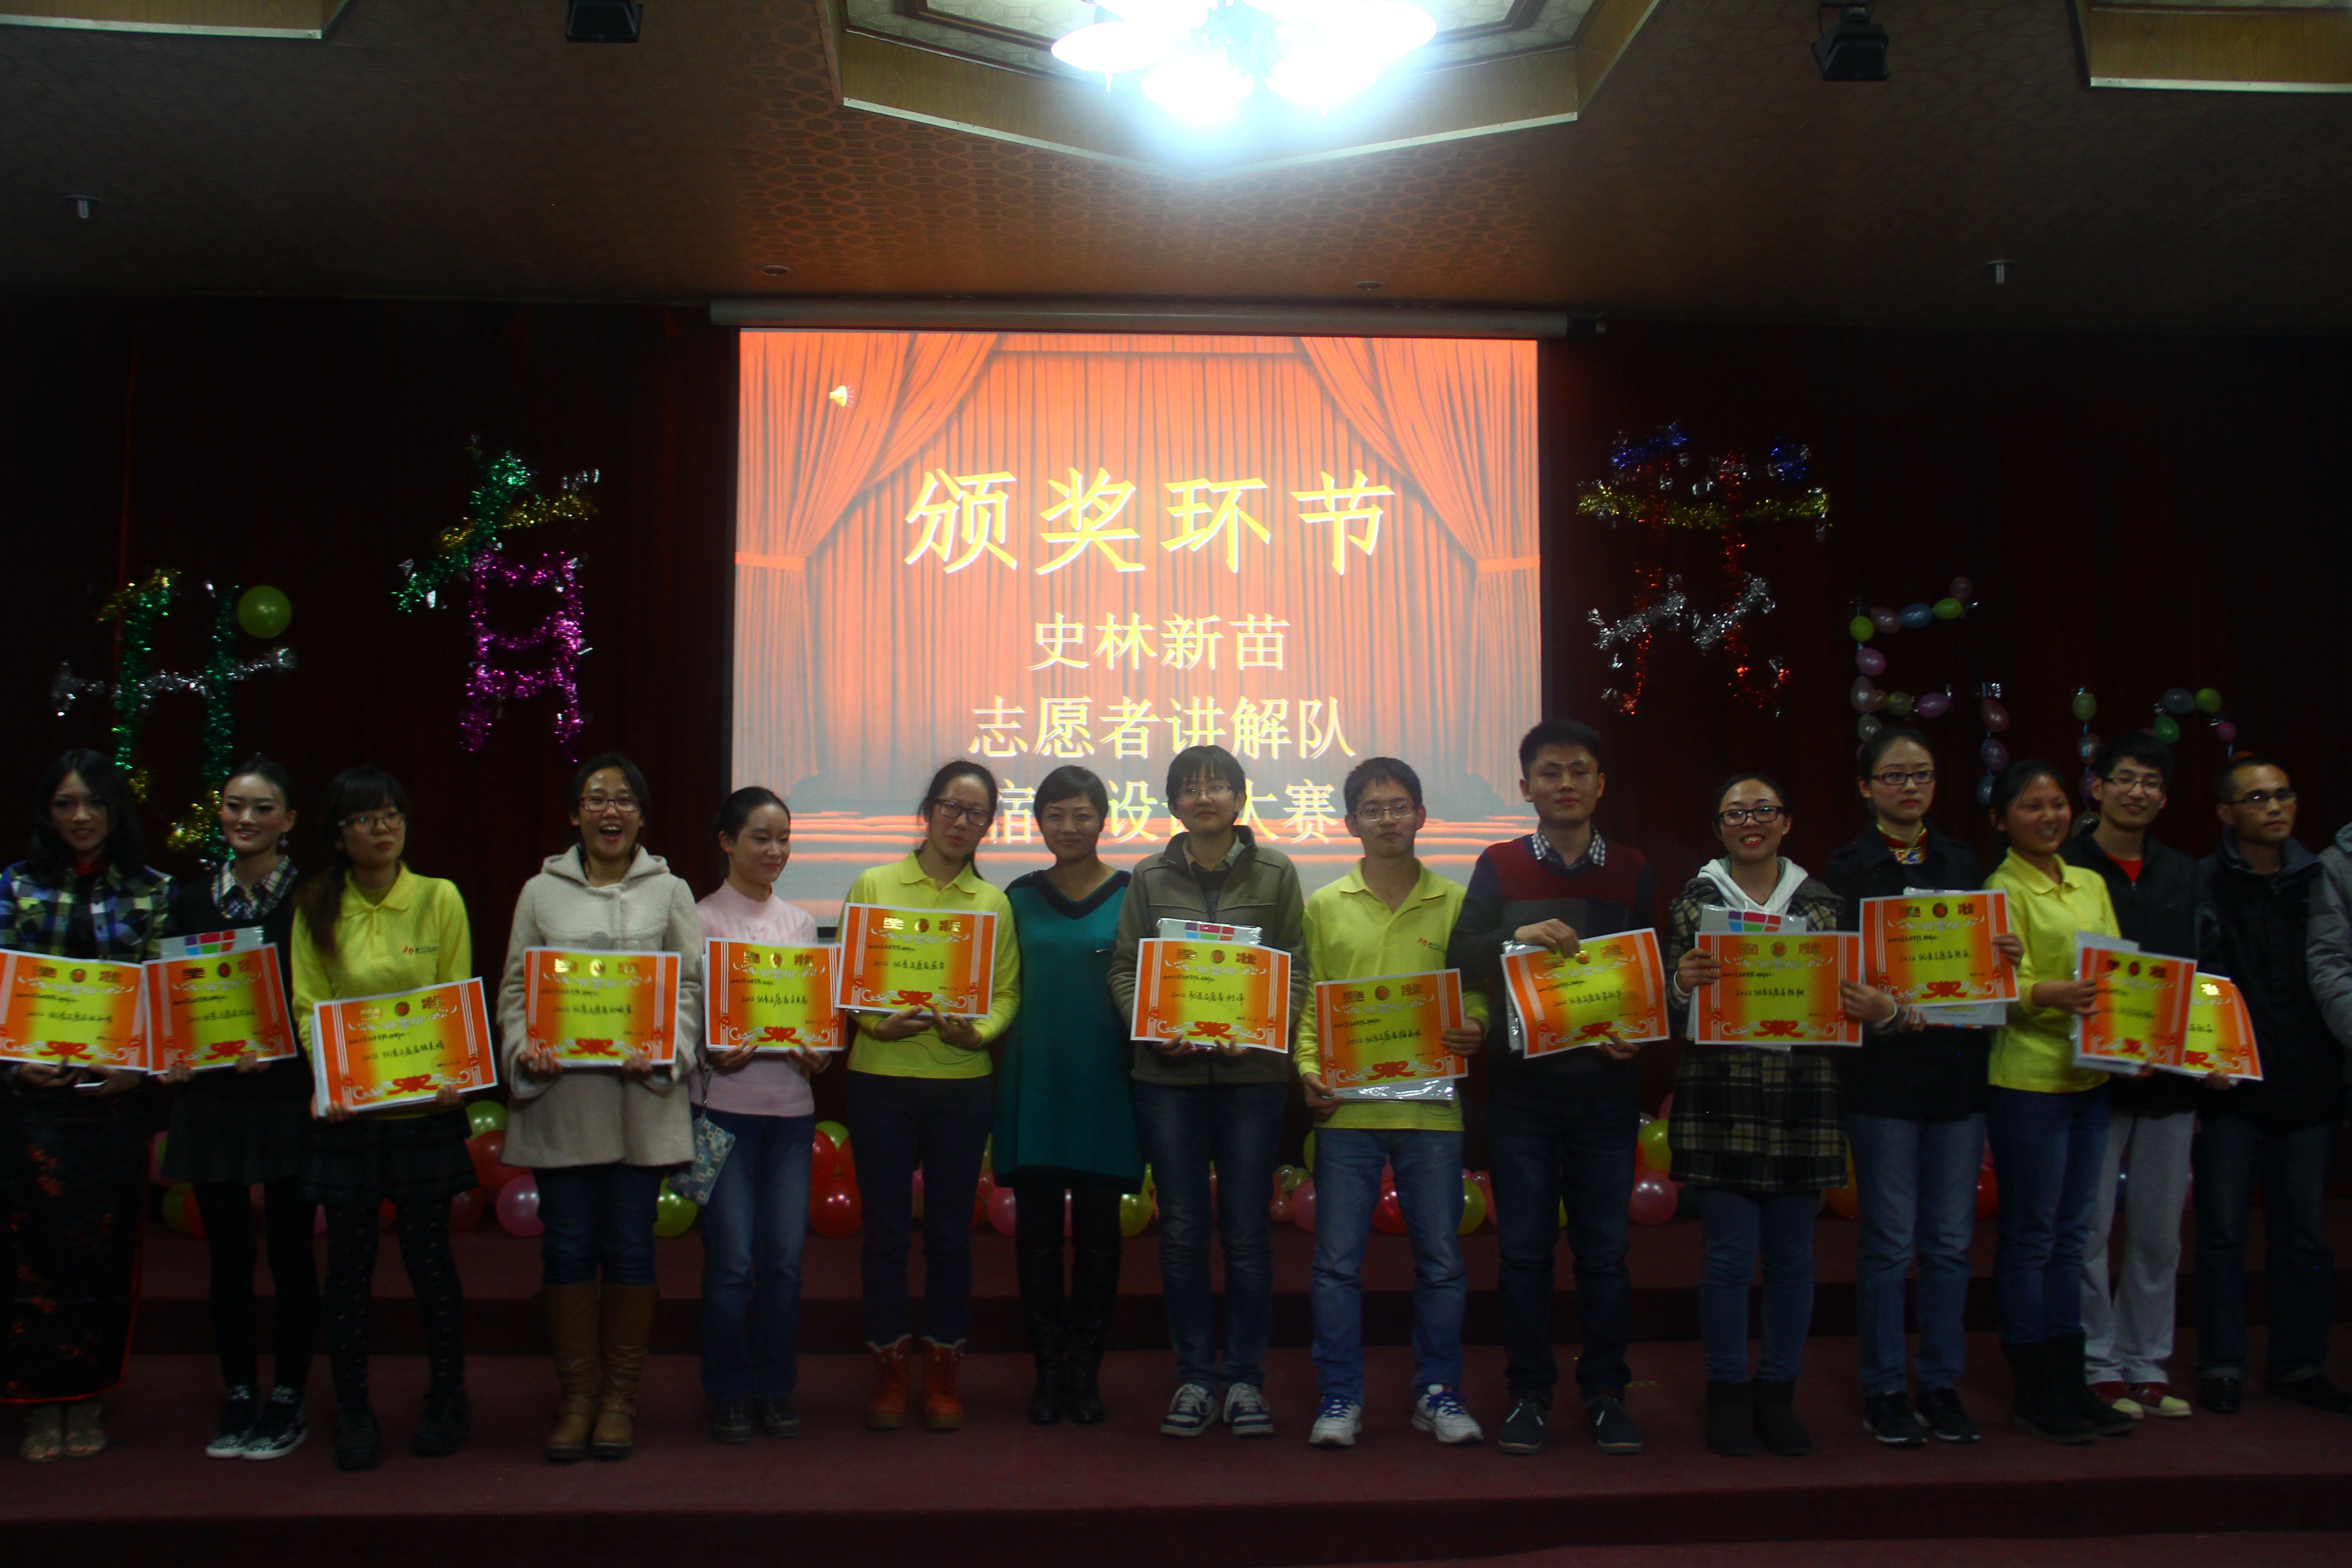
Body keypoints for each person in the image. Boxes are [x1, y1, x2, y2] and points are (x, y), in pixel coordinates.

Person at [1666, 772, 1892, 1459]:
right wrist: (1681, 985)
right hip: (1721, 1095)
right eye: (1736, 813)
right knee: (1728, 1258)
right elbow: (1669, 1003)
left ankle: (1778, 1392)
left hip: (1803, 1096)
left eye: (1764, 810)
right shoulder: (1695, 903)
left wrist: (1866, 1006)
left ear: (1787, 823)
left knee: (1794, 1260)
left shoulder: (1825, 904)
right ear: (1719, 829)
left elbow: (1857, 994)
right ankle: (1728, 1393)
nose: (1751, 822)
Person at [1447, 719, 1653, 1459]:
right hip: (1522, 1095)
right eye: (1550, 772)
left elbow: (1651, 965)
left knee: (1604, 1255)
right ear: (1525, 786)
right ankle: (1529, 1394)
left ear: (1601, 783)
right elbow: (1461, 951)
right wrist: (1515, 941)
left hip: (1606, 1090)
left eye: (1579, 770)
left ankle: (1605, 1395)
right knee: (1525, 1254)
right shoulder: (1499, 864)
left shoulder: (1631, 867)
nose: (1565, 784)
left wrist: (1642, 1030)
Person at [501, 753, 703, 1463]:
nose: (610, 811)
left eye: (624, 800)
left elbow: (691, 990)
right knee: (566, 1248)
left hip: (640, 1106)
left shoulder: (670, 891)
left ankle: (618, 1399)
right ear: (574, 814)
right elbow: (515, 993)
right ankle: (577, 1398)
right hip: (563, 1106)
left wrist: (667, 1048)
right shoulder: (539, 892)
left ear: (642, 817)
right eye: (596, 799)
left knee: (629, 1247)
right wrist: (525, 1047)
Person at [1108, 743, 1308, 1441]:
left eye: (1218, 786)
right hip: (1168, 1081)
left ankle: (1245, 1379)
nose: (1205, 798)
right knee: (1185, 1231)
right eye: (1191, 788)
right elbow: (1126, 969)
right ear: (1172, 804)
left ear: (1240, 798)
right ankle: (1195, 1376)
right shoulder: (1148, 875)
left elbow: (1296, 969)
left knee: (1248, 1233)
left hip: (1252, 1081)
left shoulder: (1277, 871)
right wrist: (1148, 1025)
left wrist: (1263, 1031)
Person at [1820, 727, 2006, 1446]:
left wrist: (2003, 955)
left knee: (1951, 1245)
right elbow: (1830, 976)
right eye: (1894, 776)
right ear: (1866, 788)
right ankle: (1885, 1389)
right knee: (1890, 1245)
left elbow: (1984, 972)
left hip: (1957, 1074)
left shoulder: (1965, 862)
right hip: (1883, 1081)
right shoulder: (1845, 870)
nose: (1909, 787)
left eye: (1921, 775)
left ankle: (1941, 1383)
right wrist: (1874, 1005)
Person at [1296, 758, 1487, 1450]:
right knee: (1336, 1266)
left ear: (1421, 816)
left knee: (1441, 1263)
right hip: (1347, 1113)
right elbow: (1311, 1003)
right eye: (1373, 809)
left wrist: (1476, 1024)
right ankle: (1340, 1395)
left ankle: (1438, 1392)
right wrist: (1308, 1069)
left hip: (1431, 1111)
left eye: (1399, 806)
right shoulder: (1324, 905)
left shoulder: (1456, 901)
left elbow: (1475, 991)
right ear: (1351, 823)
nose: (1387, 819)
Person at [290, 766, 477, 1472]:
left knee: (430, 1261)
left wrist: (454, 1070)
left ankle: (448, 1397)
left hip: (424, 1110)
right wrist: (329, 1078)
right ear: (339, 834)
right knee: (349, 1265)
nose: (384, 828)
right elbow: (309, 1006)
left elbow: (455, 991)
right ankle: (353, 1408)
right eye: (367, 818)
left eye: (392, 813)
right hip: (352, 1113)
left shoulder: (438, 898)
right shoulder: (315, 905)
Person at [1, 750, 171, 1464]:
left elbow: (171, 1001)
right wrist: (13, 1062)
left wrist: (141, 1071)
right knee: (33, 1256)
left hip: (115, 1109)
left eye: (94, 803)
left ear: (116, 810)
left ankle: (90, 1395)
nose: (81, 817)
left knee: (103, 1259)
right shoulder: (16, 886)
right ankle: (40, 1403)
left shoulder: (153, 890)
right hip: (34, 1107)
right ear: (48, 812)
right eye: (65, 804)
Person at [843, 760, 1021, 1434]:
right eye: (951, 806)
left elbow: (1006, 993)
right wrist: (872, 1024)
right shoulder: (875, 884)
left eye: (977, 814)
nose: (961, 822)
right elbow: (851, 983)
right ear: (928, 809)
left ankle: (943, 1374)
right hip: (881, 1080)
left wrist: (981, 1035)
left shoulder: (993, 904)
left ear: (989, 826)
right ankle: (890, 1374)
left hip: (961, 1086)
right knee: (887, 1236)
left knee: (950, 1237)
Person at [161, 756, 318, 1460]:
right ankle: (237, 1391)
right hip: (212, 1099)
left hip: (285, 1097)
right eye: (234, 806)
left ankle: (287, 1394)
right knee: (227, 1255)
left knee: (290, 1252)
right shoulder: (190, 899)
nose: (245, 819)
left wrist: (285, 1056)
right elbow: (172, 994)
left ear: (289, 821)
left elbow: (323, 1000)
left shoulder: (313, 899)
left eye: (262, 808)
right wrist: (174, 1051)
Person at [2060, 734, 2211, 1423]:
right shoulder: (2068, 866)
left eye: (2151, 782)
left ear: (2165, 797)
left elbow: (2209, 973)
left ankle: (2146, 1362)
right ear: (2097, 787)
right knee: (2089, 1231)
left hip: (2170, 1079)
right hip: (2091, 1078)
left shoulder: (2186, 874)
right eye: (2125, 779)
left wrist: (2216, 1051)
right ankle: (2096, 1364)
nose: (2137, 792)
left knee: (2158, 1235)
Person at [1981, 759, 2132, 1445]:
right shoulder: (2001, 889)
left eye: (2057, 804)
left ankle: (2074, 1381)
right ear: (2002, 820)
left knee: (2075, 1237)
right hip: (2029, 1082)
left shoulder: (2091, 882)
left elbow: (2117, 969)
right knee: (2033, 1236)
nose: (2049, 816)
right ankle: (2035, 1388)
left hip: (2091, 1079)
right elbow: (1989, 988)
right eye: (2032, 806)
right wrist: (2048, 993)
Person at [2195, 755, 2347, 1415]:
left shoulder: (2322, 877)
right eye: (2258, 798)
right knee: (2223, 1234)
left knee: (2303, 1236)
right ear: (2227, 813)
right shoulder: (2203, 883)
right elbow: (2200, 979)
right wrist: (2209, 1057)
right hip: (2232, 1087)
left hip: (2312, 1083)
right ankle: (2222, 1363)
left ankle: (2300, 1364)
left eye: (2284, 794)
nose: (2276, 807)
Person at [994, 765, 1138, 1427]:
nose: (1069, 827)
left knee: (1102, 1238)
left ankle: (1086, 1373)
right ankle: (1048, 1371)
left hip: (1106, 1084)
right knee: (1038, 1239)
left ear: (1104, 820)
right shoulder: (1017, 898)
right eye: (1055, 815)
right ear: (1038, 823)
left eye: (1082, 814)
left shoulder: (1134, 894)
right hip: (1037, 1083)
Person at [693, 787, 826, 1444]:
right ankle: (727, 1392)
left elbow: (817, 1020)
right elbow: (683, 1019)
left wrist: (821, 1049)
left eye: (783, 839)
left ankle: (774, 1388)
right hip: (721, 1114)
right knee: (730, 1264)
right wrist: (709, 1049)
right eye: (760, 838)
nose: (775, 851)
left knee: (783, 1263)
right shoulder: (698, 920)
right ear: (727, 842)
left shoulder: (802, 925)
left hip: (792, 1114)